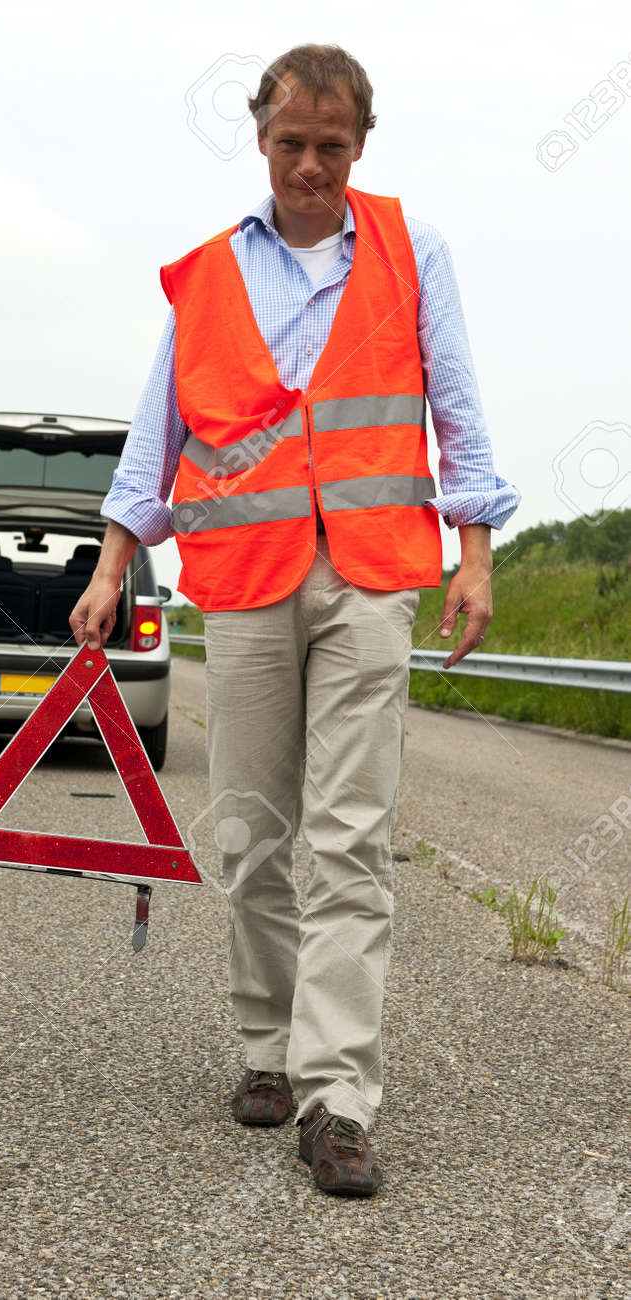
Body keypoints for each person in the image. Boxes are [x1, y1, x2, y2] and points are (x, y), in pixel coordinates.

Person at [69, 43, 520, 1197]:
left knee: (350, 833)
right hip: (248, 574)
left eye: (331, 144)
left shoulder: (415, 250)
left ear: (361, 141)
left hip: (372, 572)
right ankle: (265, 1049)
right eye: (290, 143)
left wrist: (474, 555)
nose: (310, 165)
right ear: (261, 140)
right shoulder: (212, 272)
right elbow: (153, 431)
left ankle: (337, 1096)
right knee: (256, 828)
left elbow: (457, 404)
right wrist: (115, 563)